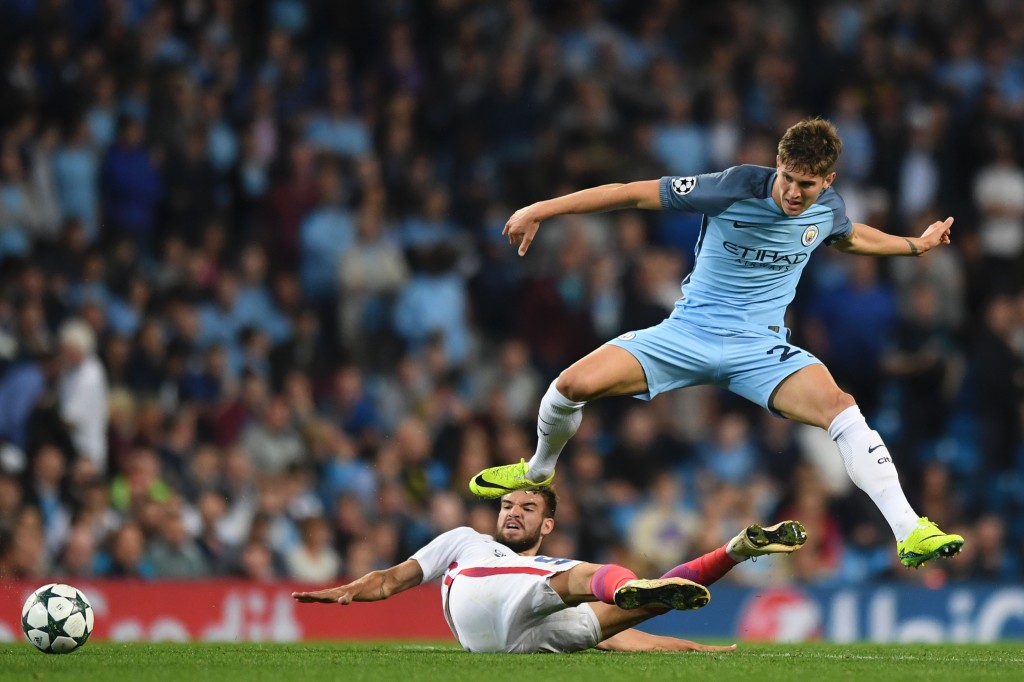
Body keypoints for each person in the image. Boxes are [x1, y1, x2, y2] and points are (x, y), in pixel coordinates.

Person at [469, 118, 964, 569]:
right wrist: (541, 209)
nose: (793, 192)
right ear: (778, 163)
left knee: (842, 408)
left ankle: (909, 530)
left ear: (828, 181)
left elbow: (850, 236)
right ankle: (538, 471)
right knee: (568, 386)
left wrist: (914, 245)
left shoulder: (828, 210)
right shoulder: (732, 187)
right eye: (788, 178)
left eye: (807, 184)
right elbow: (630, 193)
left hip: (760, 349)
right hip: (688, 334)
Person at [293, 488, 807, 653]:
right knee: (593, 579)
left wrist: (701, 651)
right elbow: (389, 580)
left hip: (518, 640)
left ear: (548, 524)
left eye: (527, 508)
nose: (512, 512)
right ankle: (628, 582)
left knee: (633, 612)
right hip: (479, 594)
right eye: (506, 506)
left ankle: (737, 550)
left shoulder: (539, 564)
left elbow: (626, 643)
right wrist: (347, 591)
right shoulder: (467, 542)